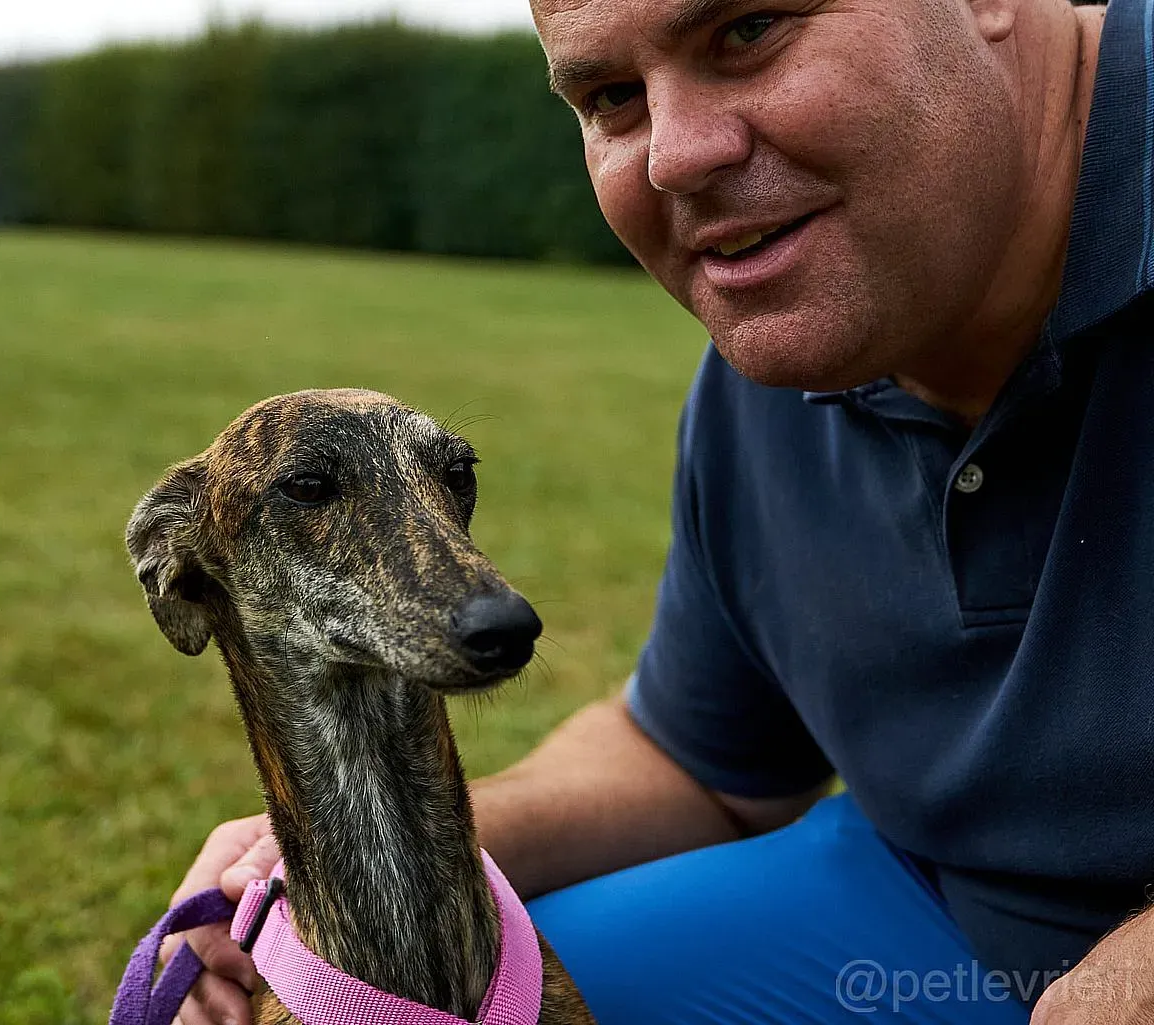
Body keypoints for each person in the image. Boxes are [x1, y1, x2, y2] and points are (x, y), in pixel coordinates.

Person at [158, 0, 1154, 1019]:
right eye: (614, 97)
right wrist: (349, 866)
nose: (676, 155)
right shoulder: (783, 353)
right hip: (919, 897)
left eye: (749, 28)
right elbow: (696, 760)